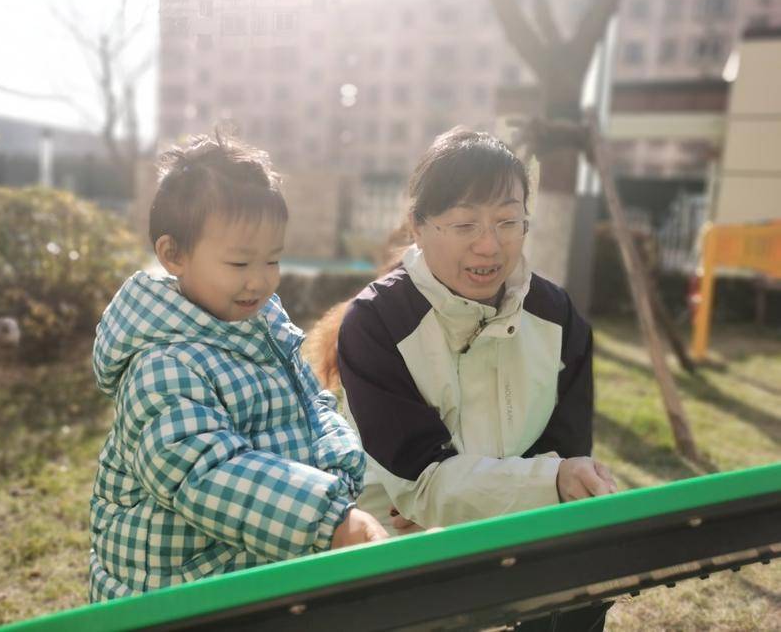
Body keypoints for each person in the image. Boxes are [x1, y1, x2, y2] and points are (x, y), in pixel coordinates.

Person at [322, 127, 616, 630]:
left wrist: (472, 503)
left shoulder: (557, 316)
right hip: (392, 548)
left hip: (506, 531)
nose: (489, 245)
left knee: (587, 575)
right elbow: (425, 481)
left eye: (508, 221)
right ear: (418, 226)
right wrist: (540, 483)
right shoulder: (378, 322)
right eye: (464, 225)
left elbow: (562, 456)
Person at [88, 132, 386, 602]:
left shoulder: (265, 329)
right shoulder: (161, 365)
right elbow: (206, 473)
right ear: (173, 255)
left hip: (253, 569)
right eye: (239, 262)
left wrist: (337, 479)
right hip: (175, 593)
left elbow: (316, 408)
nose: (260, 279)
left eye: (273, 259)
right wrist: (329, 518)